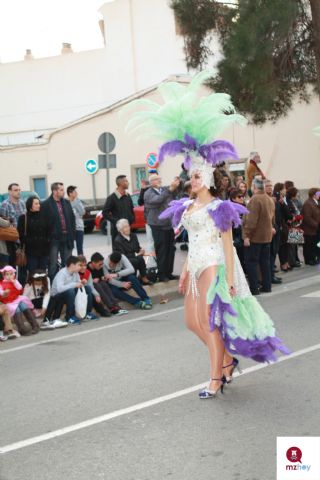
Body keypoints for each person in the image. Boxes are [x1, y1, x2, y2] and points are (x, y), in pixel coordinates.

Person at [128, 71, 289, 399]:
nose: (194, 179)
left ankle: (216, 377)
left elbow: (227, 245)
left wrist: (229, 277)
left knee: (210, 321)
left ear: (210, 178)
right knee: (192, 322)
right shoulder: (186, 207)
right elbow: (192, 242)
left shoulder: (220, 207)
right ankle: (227, 359)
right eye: (192, 174)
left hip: (215, 264)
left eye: (199, 175)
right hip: (197, 262)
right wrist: (185, 269)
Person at [144, 173, 180, 282]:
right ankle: (162, 274)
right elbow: (157, 200)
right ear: (151, 182)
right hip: (157, 225)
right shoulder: (148, 193)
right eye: (156, 179)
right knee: (162, 250)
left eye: (159, 178)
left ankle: (169, 272)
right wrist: (169, 190)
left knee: (171, 249)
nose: (159, 180)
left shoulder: (164, 189)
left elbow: (174, 195)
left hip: (168, 224)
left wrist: (177, 184)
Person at [242, 178, 275, 295]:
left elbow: (251, 221)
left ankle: (254, 288)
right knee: (265, 263)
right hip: (266, 236)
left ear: (254, 187)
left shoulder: (255, 199)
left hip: (255, 237)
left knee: (251, 263)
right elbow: (271, 218)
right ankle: (267, 286)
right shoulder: (269, 199)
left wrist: (246, 235)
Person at [41, 182, 75, 281]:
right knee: (53, 264)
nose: (63, 192)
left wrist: (72, 235)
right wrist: (47, 238)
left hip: (67, 237)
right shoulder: (45, 204)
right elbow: (44, 224)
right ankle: (53, 285)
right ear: (54, 191)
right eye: (61, 190)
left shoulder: (66, 202)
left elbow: (72, 220)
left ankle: (66, 283)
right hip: (53, 239)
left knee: (67, 263)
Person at [0, 265, 39, 335]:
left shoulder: (15, 281)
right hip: (8, 302)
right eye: (7, 274)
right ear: (4, 275)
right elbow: (1, 293)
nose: (9, 276)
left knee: (23, 305)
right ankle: (22, 329)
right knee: (17, 309)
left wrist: (14, 282)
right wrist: (4, 293)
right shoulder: (1, 283)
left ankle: (35, 325)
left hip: (16, 299)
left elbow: (20, 288)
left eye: (11, 274)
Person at [113, 218, 152, 285]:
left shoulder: (133, 236)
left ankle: (144, 278)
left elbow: (137, 248)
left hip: (134, 257)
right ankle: (134, 280)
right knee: (135, 260)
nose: (128, 228)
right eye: (125, 227)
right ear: (121, 230)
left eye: (128, 226)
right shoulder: (118, 240)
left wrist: (141, 250)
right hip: (124, 260)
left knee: (140, 258)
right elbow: (122, 256)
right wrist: (136, 254)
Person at [17, 196, 49, 274]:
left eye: (39, 203)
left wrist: (47, 242)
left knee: (43, 273)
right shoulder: (23, 218)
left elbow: (48, 231)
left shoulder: (44, 216)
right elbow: (20, 234)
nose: (39, 205)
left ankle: (42, 286)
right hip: (30, 252)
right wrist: (29, 242)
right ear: (30, 205)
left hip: (43, 250)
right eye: (36, 204)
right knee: (32, 273)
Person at [49, 255, 83, 325]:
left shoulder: (75, 273)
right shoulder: (62, 273)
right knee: (70, 291)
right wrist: (74, 284)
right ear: (72, 265)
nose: (80, 267)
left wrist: (82, 283)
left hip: (67, 294)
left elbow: (78, 282)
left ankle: (86, 313)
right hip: (56, 296)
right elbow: (59, 289)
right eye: (79, 265)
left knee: (87, 288)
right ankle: (69, 317)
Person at [102, 175, 134, 246]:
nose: (128, 183)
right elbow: (105, 213)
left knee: (129, 250)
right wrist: (117, 221)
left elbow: (131, 209)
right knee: (118, 252)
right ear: (121, 183)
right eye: (126, 181)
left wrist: (132, 219)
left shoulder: (128, 196)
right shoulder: (112, 198)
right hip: (117, 231)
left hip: (128, 229)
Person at [264, 180, 282, 285]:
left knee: (273, 253)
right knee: (269, 255)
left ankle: (272, 275)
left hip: (277, 228)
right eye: (267, 186)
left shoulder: (275, 198)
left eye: (271, 186)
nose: (270, 188)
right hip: (269, 230)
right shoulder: (264, 199)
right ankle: (269, 277)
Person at [301, 188, 320, 265]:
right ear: (314, 195)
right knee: (308, 245)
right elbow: (307, 217)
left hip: (316, 228)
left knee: (314, 244)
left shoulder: (316, 202)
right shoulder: (308, 203)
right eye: (318, 194)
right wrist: (316, 224)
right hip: (309, 229)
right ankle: (309, 260)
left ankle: (314, 258)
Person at [229, 189, 246, 271]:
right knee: (241, 262)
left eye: (243, 196)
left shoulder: (244, 206)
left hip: (244, 239)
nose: (242, 198)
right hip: (237, 240)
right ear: (233, 199)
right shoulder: (232, 209)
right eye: (239, 197)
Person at [67, 186, 85, 255]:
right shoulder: (66, 203)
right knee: (70, 247)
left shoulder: (78, 201)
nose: (77, 193)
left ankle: (81, 263)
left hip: (79, 227)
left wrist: (76, 201)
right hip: (70, 229)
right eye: (75, 192)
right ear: (70, 193)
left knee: (79, 247)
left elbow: (82, 212)